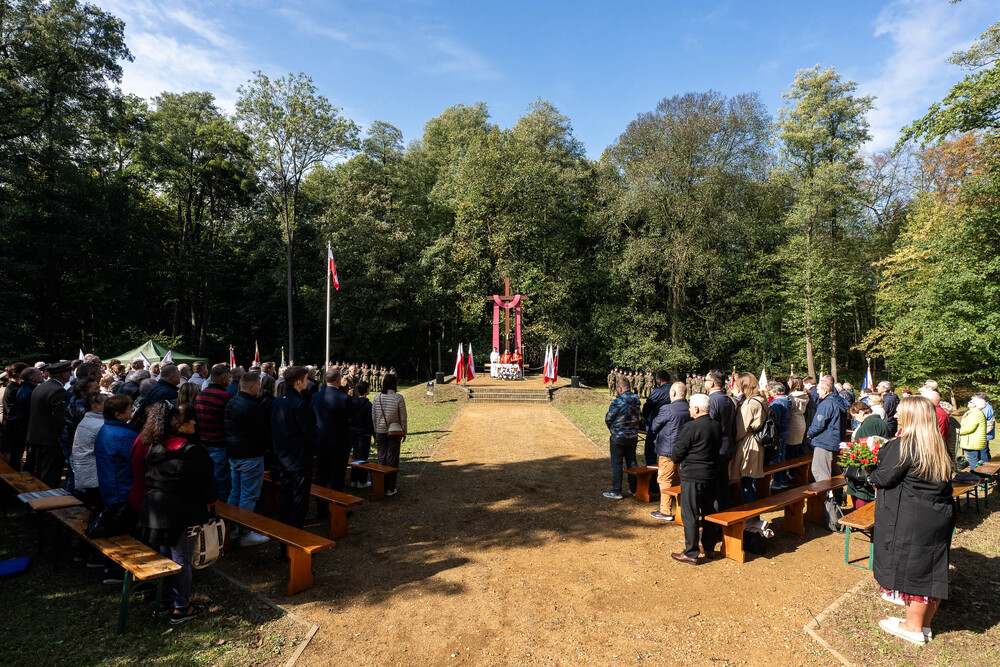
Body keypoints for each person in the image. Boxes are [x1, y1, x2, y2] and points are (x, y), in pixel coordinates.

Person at [870, 396, 955, 646]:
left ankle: (913, 627)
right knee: (931, 569)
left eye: (900, 412)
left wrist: (861, 471)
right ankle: (924, 624)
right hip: (937, 515)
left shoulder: (906, 444)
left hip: (913, 517)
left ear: (912, 416)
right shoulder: (937, 442)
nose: (895, 415)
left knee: (913, 570)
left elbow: (883, 478)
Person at [140, 402, 218, 625]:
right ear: (178, 426)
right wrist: (211, 502)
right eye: (189, 420)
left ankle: (164, 600)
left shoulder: (156, 446)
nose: (195, 422)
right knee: (181, 558)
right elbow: (208, 485)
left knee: (165, 557)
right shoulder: (192, 451)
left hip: (155, 510)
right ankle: (181, 608)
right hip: (180, 512)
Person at [670, 393, 721, 564]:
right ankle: (708, 547)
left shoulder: (690, 427)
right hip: (711, 475)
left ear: (697, 409)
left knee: (690, 513)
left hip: (692, 476)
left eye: (690, 406)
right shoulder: (716, 426)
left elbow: (677, 453)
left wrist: (679, 460)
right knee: (708, 511)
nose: (689, 409)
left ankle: (691, 552)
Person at [224, 372, 270, 546]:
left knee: (236, 492)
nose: (259, 388)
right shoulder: (251, 406)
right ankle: (245, 531)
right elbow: (260, 433)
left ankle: (233, 529)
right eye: (258, 385)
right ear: (252, 386)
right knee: (248, 495)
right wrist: (267, 445)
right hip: (249, 455)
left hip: (235, 454)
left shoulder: (232, 402)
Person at [272, 366, 317, 529]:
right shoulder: (299, 404)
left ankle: (286, 535)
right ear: (298, 382)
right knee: (298, 501)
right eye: (305, 379)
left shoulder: (278, 401)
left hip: (283, 458)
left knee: (286, 499)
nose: (307, 382)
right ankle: (295, 540)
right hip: (298, 460)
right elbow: (309, 433)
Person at [648, 382, 689, 521]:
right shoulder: (690, 407)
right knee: (682, 479)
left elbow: (654, 426)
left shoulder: (667, 409)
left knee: (665, 479)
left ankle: (665, 510)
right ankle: (684, 509)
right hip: (685, 452)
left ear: (673, 393)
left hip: (668, 451)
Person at [28, 360, 72, 488]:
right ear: (63, 374)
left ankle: (39, 497)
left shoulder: (41, 387)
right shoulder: (58, 391)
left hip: (37, 436)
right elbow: (59, 418)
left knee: (40, 470)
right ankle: (47, 501)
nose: (70, 374)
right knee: (50, 474)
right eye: (69, 372)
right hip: (50, 439)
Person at [313, 367, 354, 495]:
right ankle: (337, 508)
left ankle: (321, 507)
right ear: (338, 380)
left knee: (321, 474)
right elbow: (351, 420)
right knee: (338, 475)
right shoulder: (344, 398)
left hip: (321, 441)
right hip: (339, 443)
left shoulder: (315, 397)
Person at [194, 364, 232, 501]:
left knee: (208, 477)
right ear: (222, 378)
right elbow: (229, 423)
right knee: (221, 479)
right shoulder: (224, 397)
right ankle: (221, 510)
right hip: (219, 444)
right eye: (228, 377)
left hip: (204, 442)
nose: (229, 380)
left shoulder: (200, 396)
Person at [731, 373, 768, 503]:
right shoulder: (760, 399)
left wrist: (732, 441)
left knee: (746, 481)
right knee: (748, 481)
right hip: (755, 441)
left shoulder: (749, 404)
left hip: (747, 443)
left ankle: (751, 518)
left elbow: (741, 428)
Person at [806, 376, 850, 483]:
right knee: (835, 470)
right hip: (836, 439)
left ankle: (826, 497)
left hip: (824, 441)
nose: (817, 392)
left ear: (825, 391)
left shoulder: (827, 403)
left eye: (818, 390)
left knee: (820, 471)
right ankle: (836, 495)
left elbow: (819, 424)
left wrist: (809, 433)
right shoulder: (839, 400)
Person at [603, 378, 641, 500]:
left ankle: (616, 491)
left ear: (619, 388)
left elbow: (609, 418)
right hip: (633, 436)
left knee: (617, 463)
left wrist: (613, 429)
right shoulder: (636, 400)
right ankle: (634, 489)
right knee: (632, 463)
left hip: (618, 437)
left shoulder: (617, 401)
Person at [70, 392, 107, 508]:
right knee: (96, 504)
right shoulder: (100, 424)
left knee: (91, 501)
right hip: (93, 472)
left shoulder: (88, 420)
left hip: (85, 470)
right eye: (107, 403)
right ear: (95, 406)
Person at [372, 373, 406, 496]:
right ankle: (390, 488)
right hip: (394, 432)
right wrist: (404, 432)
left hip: (380, 432)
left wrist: (376, 432)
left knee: (381, 459)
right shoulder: (398, 398)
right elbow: (403, 418)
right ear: (395, 384)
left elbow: (374, 417)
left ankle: (381, 486)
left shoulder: (377, 398)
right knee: (392, 460)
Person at [2, 362, 28, 470]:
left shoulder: (13, 387)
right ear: (18, 374)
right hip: (14, 429)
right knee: (15, 458)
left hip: (12, 428)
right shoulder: (14, 388)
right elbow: (12, 411)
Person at [349, 381, 374, 488]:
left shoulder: (352, 402)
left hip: (354, 432)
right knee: (362, 456)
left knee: (355, 455)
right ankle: (361, 481)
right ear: (367, 390)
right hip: (364, 433)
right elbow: (370, 421)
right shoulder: (368, 405)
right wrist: (374, 434)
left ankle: (353, 479)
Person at [15, 367, 41, 472]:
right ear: (32, 378)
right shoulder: (30, 392)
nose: (42, 375)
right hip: (30, 429)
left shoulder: (25, 389)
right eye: (39, 374)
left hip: (27, 428)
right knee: (31, 459)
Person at [766, 381, 791, 490]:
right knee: (782, 456)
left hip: (779, 433)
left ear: (775, 391)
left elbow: (775, 420)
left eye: (771, 390)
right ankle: (782, 480)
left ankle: (777, 481)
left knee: (777, 457)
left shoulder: (777, 403)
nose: (769, 392)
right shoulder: (787, 400)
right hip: (785, 431)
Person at [958, 396, 988, 469]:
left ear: (976, 405)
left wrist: (957, 431)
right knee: (973, 460)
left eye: (971, 402)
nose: (968, 402)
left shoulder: (975, 414)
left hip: (972, 442)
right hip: (972, 441)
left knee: (973, 462)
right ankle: (976, 476)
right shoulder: (973, 413)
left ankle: (975, 478)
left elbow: (969, 428)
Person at [973, 391, 994, 460]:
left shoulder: (986, 408)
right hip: (984, 433)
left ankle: (984, 469)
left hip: (983, 433)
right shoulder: (986, 407)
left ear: (981, 398)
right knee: (985, 451)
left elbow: (980, 419)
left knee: (982, 452)